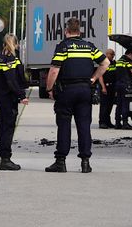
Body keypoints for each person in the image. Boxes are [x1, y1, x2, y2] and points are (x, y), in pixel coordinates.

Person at [45, 17, 109, 173]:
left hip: (66, 90)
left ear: (66, 31)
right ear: (80, 31)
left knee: (64, 125)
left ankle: (61, 162)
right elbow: (105, 63)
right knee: (84, 126)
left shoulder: (63, 47)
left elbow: (54, 70)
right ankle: (85, 163)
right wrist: (93, 78)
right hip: (85, 90)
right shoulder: (89, 47)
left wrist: (49, 88)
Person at [0, 34, 30, 171]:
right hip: (8, 98)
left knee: (3, 127)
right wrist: (22, 95)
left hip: (0, 97)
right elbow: (11, 80)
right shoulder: (10, 59)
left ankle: (4, 157)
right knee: (8, 128)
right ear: (16, 44)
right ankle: (6, 160)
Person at [113, 48, 132, 130]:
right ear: (130, 54)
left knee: (119, 104)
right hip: (125, 85)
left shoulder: (119, 61)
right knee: (125, 104)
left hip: (118, 84)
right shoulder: (127, 61)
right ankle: (125, 123)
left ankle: (117, 123)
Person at [98, 48, 116, 129]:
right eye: (112, 54)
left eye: (113, 54)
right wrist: (103, 87)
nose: (113, 56)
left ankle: (108, 122)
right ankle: (102, 122)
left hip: (112, 87)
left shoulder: (113, 63)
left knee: (110, 105)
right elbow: (100, 76)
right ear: (107, 54)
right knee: (104, 106)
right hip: (105, 86)